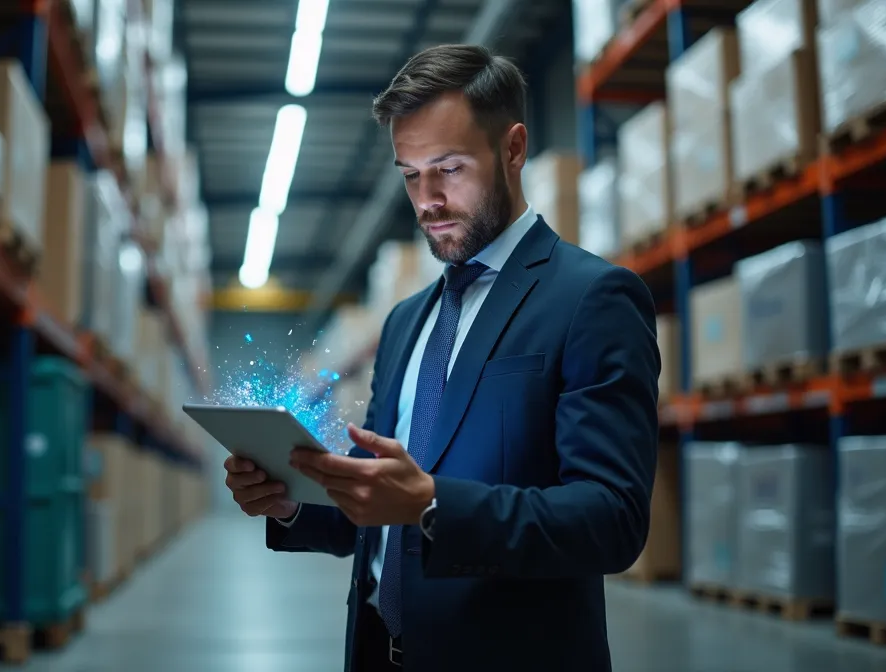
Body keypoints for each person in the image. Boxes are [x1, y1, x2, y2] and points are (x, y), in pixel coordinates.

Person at [223, 44, 660, 671]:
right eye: (409, 174)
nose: (426, 199)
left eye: (449, 168)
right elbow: (375, 510)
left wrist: (432, 505)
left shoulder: (592, 298)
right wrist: (290, 500)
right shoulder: (406, 322)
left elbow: (612, 519)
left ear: (513, 149)